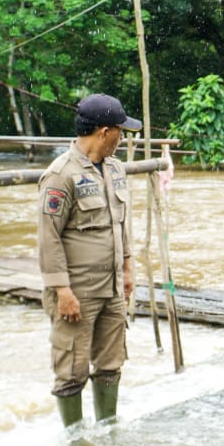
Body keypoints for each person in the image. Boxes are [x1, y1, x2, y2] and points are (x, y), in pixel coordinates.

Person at [37, 94, 138, 428]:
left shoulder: (115, 169)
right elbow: (48, 237)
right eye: (120, 132)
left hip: (111, 288)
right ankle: (74, 443)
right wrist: (62, 290)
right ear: (104, 132)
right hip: (77, 291)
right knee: (72, 368)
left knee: (111, 362)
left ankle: (107, 431)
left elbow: (120, 223)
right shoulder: (61, 175)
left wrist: (127, 267)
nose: (122, 138)